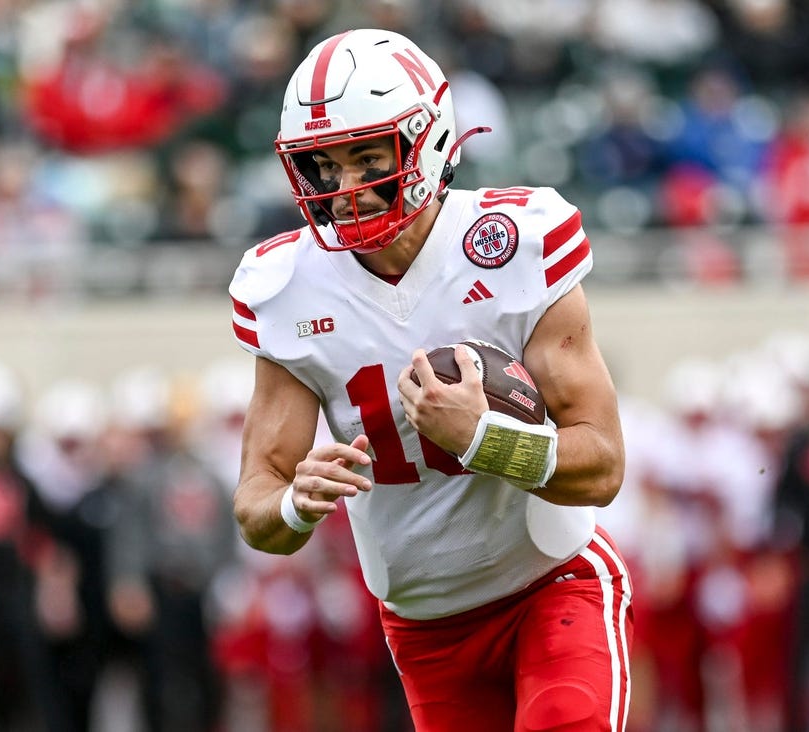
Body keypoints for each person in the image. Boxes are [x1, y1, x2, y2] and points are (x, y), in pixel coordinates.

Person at [228, 28, 633, 730]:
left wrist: (484, 440)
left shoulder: (514, 244)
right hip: (425, 627)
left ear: (426, 140)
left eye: (366, 156)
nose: (347, 188)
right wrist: (297, 502)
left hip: (552, 584)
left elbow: (601, 464)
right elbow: (258, 509)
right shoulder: (287, 287)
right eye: (325, 165)